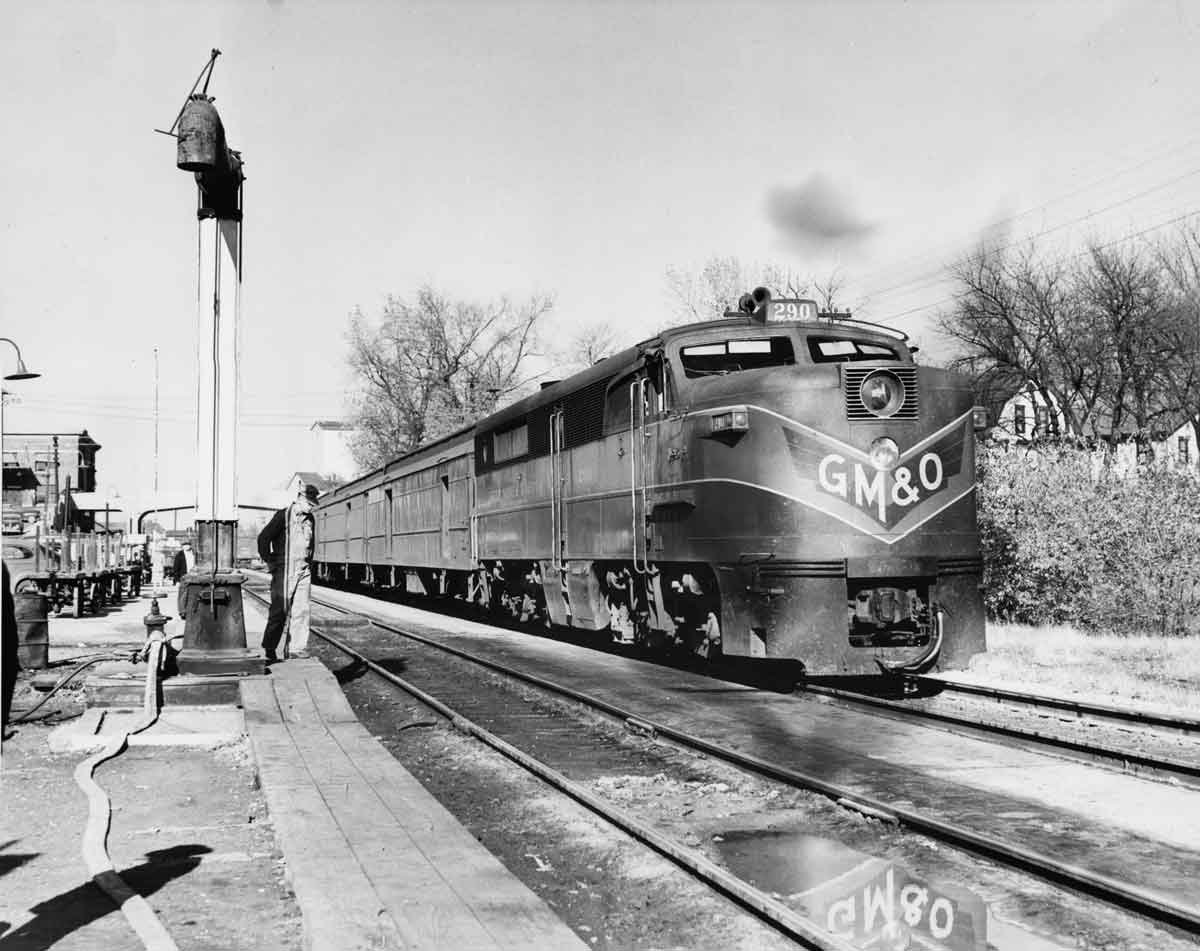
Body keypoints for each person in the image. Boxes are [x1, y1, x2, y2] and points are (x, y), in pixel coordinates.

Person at [257, 484, 318, 662]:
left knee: (302, 610)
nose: (311, 506)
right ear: (299, 498)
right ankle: (269, 648)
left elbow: (311, 543)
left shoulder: (310, 519)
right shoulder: (283, 515)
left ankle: (296, 649)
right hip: (286, 568)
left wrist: (309, 563)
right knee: (280, 609)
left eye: (313, 503)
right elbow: (263, 538)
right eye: (309, 502)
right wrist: (270, 561)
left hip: (303, 568)